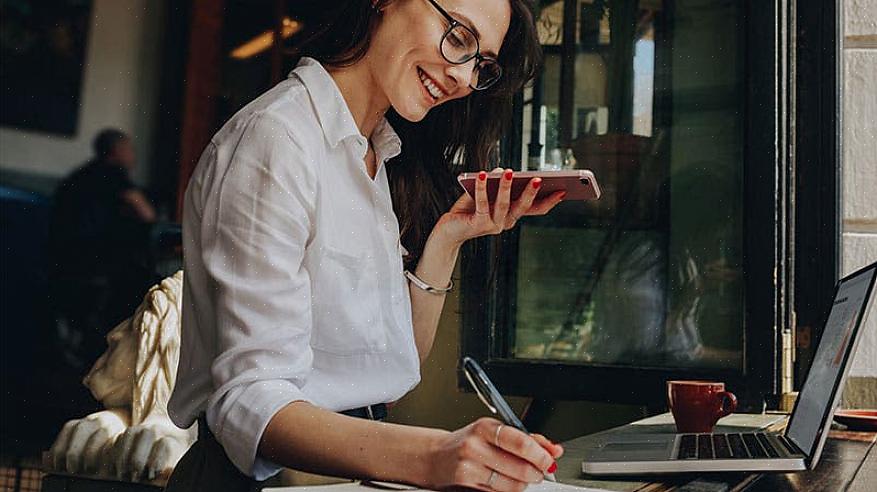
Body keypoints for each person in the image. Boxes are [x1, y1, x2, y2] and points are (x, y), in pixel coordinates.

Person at [166, 1, 566, 490]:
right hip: (269, 483)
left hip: (345, 475)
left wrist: (448, 236)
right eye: (458, 37)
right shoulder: (278, 139)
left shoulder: (375, 151)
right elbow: (251, 402)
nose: (464, 78)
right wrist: (436, 454)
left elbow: (392, 362)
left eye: (480, 64)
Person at [49, 128, 157, 368]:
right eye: (129, 149)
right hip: (92, 261)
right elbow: (147, 214)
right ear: (117, 152)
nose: (133, 155)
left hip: (62, 258)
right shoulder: (113, 175)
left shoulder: (80, 175)